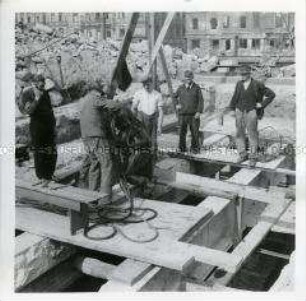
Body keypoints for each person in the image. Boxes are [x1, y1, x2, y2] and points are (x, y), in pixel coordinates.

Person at [227, 65, 276, 167]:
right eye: (241, 74)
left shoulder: (257, 84)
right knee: (239, 134)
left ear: (249, 74)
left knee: (252, 134)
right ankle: (242, 154)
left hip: (251, 112)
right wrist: (231, 109)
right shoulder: (239, 84)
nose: (242, 76)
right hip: (239, 111)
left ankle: (253, 157)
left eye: (245, 74)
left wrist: (262, 104)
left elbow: (271, 94)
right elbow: (235, 96)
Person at [20, 74, 57, 187]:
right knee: (40, 152)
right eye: (41, 82)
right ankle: (41, 177)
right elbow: (29, 111)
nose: (43, 84)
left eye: (43, 82)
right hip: (37, 127)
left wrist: (53, 126)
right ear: (34, 83)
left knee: (51, 152)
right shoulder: (28, 93)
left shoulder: (45, 92)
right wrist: (36, 98)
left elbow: (50, 110)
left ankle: (49, 176)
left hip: (49, 127)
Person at [79, 87, 114, 205]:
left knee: (94, 164)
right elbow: (113, 105)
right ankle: (105, 200)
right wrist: (120, 103)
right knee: (107, 164)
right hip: (97, 137)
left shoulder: (84, 101)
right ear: (99, 93)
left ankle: (92, 197)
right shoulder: (95, 99)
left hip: (86, 137)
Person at [174, 70, 204, 153]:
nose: (188, 80)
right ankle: (182, 148)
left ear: (192, 78)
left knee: (195, 132)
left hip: (194, 115)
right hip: (183, 114)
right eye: (187, 79)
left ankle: (194, 149)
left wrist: (199, 111)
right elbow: (174, 97)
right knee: (182, 132)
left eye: (190, 78)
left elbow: (201, 100)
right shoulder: (180, 88)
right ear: (184, 78)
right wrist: (177, 105)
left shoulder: (197, 88)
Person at [132, 76, 164, 153]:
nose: (146, 86)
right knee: (142, 141)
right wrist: (134, 122)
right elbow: (133, 108)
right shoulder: (138, 93)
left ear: (152, 83)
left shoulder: (157, 95)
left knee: (153, 142)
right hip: (142, 120)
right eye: (144, 84)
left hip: (153, 121)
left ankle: (152, 160)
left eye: (148, 84)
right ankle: (142, 160)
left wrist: (159, 126)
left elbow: (161, 111)